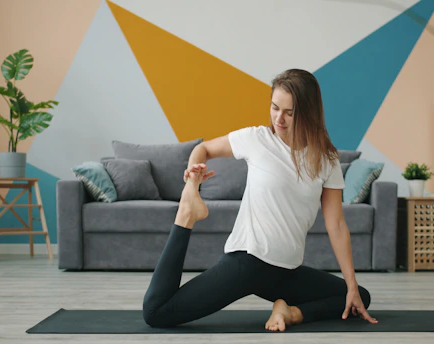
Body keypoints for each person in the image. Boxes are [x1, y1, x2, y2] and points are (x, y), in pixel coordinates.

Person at [142, 69, 378, 332]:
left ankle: (289, 312)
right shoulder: (257, 139)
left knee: (358, 298)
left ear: (308, 113)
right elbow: (203, 148)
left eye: (290, 112)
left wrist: (352, 283)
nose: (279, 118)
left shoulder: (326, 159)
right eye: (275, 108)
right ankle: (186, 213)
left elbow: (336, 225)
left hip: (285, 271)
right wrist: (192, 181)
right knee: (156, 312)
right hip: (248, 263)